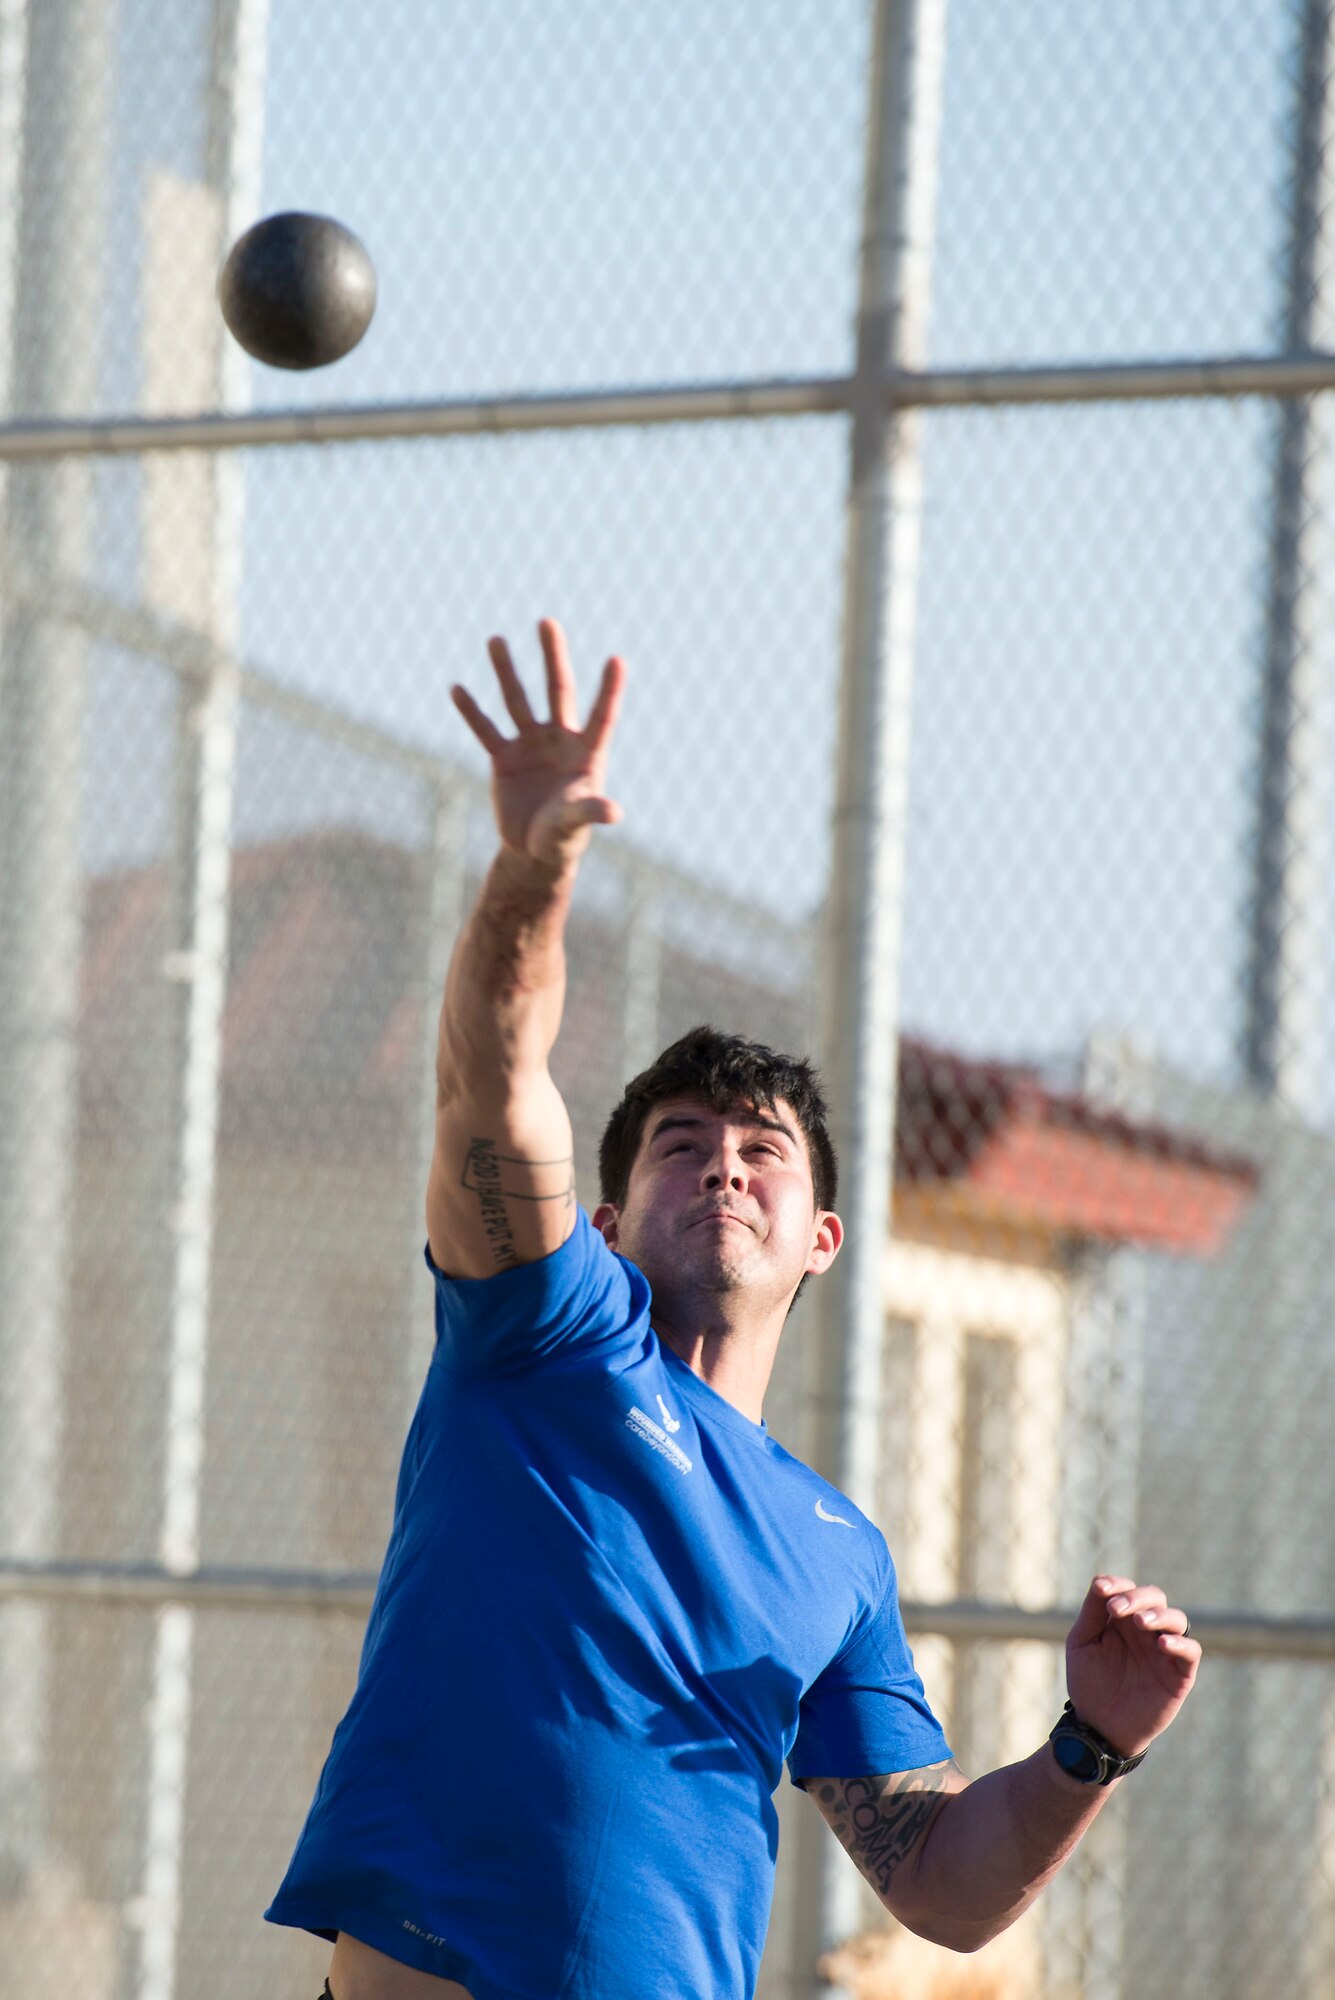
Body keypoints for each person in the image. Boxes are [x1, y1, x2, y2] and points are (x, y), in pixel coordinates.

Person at [264, 621, 1201, 2000]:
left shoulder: (833, 1550)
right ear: (602, 1225)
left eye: (764, 1151)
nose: (724, 1166)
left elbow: (939, 1884)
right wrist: (534, 871)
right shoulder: (549, 1338)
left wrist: (1090, 1748)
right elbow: (491, 1078)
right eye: (681, 1145)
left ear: (821, 1238)